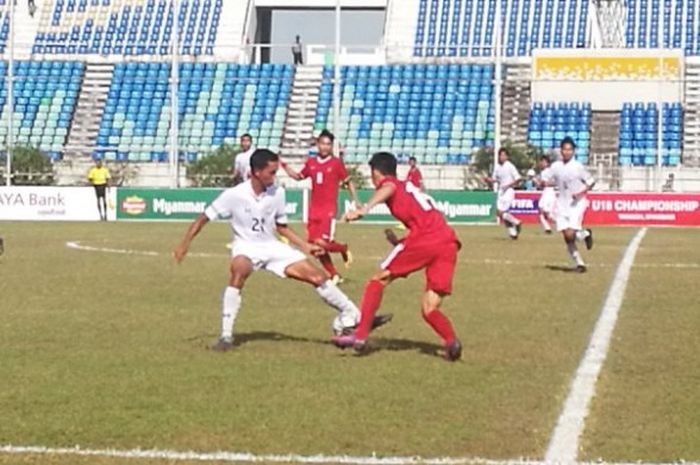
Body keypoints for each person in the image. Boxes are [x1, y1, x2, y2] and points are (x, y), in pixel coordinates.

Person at [173, 149, 391, 352]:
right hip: (246, 247)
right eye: (271, 172)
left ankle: (356, 316)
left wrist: (305, 246)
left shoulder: (277, 193)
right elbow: (203, 218)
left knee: (318, 277)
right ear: (256, 172)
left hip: (272, 247)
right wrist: (184, 244)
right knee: (239, 271)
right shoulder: (234, 194)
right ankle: (226, 336)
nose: (275, 176)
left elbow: (281, 227)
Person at [332, 152, 463, 362]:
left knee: (378, 280)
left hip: (426, 239)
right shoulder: (409, 188)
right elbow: (425, 222)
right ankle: (451, 341)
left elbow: (388, 187)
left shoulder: (392, 184)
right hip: (448, 242)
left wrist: (363, 209)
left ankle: (361, 335)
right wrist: (399, 242)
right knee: (430, 308)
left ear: (376, 172)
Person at [282, 130, 360, 284]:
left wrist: (355, 200)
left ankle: (343, 248)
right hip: (314, 210)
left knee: (322, 242)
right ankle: (334, 274)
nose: (325, 147)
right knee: (315, 248)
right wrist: (283, 165)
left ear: (331, 146)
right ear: (318, 145)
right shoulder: (311, 163)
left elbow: (348, 181)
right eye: (322, 143)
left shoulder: (336, 163)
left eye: (328, 144)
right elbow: (298, 177)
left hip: (328, 209)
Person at [546, 137, 595, 273]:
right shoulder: (556, 166)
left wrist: (580, 192)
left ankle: (585, 233)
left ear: (573, 151)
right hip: (562, 204)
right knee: (567, 237)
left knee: (571, 233)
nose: (567, 152)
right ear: (561, 150)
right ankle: (580, 264)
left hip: (576, 204)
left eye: (569, 149)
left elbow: (591, 182)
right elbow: (551, 180)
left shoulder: (578, 167)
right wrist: (543, 183)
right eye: (564, 149)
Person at [484, 148, 522, 239]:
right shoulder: (497, 167)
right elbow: (495, 179)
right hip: (501, 191)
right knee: (499, 213)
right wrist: (489, 180)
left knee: (502, 212)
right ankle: (513, 233)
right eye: (500, 155)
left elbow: (518, 178)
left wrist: (508, 185)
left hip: (509, 191)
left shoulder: (510, 166)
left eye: (504, 155)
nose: (502, 157)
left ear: (507, 156)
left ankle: (516, 222)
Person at [534, 155, 556, 234]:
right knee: (541, 210)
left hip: (549, 192)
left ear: (547, 163)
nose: (542, 163)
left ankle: (563, 224)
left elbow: (553, 182)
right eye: (541, 162)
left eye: (543, 162)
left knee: (548, 214)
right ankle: (547, 228)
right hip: (546, 192)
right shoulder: (543, 172)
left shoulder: (548, 171)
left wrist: (541, 183)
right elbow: (542, 185)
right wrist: (537, 182)